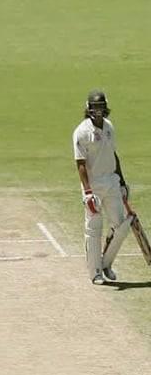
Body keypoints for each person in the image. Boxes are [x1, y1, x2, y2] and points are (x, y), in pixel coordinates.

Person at [73, 89, 130, 285]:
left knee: (120, 226)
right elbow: (80, 163)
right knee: (93, 228)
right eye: (95, 107)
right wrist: (88, 192)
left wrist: (122, 181)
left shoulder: (109, 127)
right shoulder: (81, 132)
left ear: (105, 108)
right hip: (94, 185)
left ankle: (106, 263)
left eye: (101, 107)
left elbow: (114, 155)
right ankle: (95, 272)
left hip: (112, 182)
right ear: (88, 108)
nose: (98, 111)